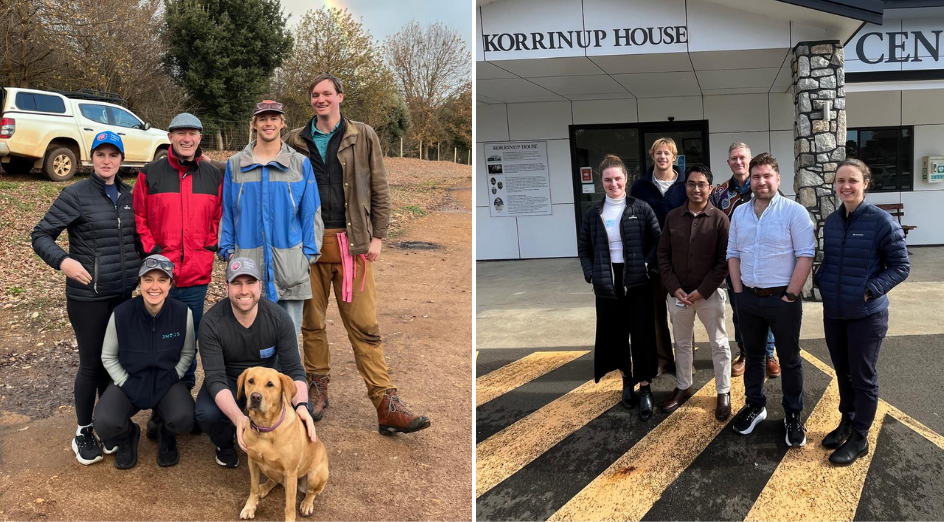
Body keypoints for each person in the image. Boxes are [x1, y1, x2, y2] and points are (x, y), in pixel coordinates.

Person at [285, 74, 429, 435]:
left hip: (352, 245)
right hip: (308, 248)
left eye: (327, 94)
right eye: (315, 95)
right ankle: (317, 386)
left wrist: (378, 235)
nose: (321, 100)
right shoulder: (294, 140)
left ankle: (385, 402)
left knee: (364, 326)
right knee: (312, 324)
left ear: (340, 97)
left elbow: (379, 185)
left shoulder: (362, 134)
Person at [31, 131, 141, 465]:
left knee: (114, 364)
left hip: (123, 294)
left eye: (113, 155)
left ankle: (108, 426)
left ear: (122, 160)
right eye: (101, 155)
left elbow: (139, 239)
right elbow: (40, 235)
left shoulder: (130, 196)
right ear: (91, 159)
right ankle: (83, 430)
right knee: (91, 365)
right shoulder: (76, 194)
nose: (107, 161)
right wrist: (64, 262)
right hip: (88, 297)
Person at [133, 112, 223, 440]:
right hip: (161, 279)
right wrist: (154, 251)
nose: (187, 139)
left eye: (193, 133)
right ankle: (160, 408)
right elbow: (139, 216)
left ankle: (182, 403)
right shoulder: (150, 174)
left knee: (189, 340)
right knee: (160, 343)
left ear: (200, 138)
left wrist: (208, 244)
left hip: (197, 276)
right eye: (181, 133)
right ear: (170, 136)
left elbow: (219, 215)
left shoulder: (213, 175)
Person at [814, 159, 909, 465]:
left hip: (867, 315)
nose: (845, 186)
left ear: (866, 183)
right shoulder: (832, 221)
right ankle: (847, 421)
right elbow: (831, 260)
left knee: (863, 377)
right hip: (835, 311)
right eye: (840, 180)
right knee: (843, 372)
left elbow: (901, 266)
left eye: (852, 180)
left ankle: (860, 437)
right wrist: (823, 282)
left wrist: (868, 290)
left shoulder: (882, 222)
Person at [727, 153, 815, 447]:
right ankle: (755, 406)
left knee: (789, 360)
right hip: (748, 299)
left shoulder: (794, 212)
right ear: (749, 181)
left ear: (778, 178)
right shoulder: (739, 213)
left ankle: (792, 414)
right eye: (756, 177)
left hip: (783, 300)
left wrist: (791, 294)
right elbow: (733, 254)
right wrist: (738, 292)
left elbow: (806, 255)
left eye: (767, 176)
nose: (761, 182)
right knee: (753, 356)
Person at [194, 257, 317, 468]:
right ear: (226, 287)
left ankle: (275, 444)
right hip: (230, 381)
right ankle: (225, 444)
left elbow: (294, 369)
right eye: (236, 283)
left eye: (250, 282)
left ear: (260, 285)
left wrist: (302, 407)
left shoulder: (279, 318)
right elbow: (215, 378)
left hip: (267, 381)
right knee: (207, 413)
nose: (244, 290)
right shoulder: (211, 323)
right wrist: (238, 418)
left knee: (302, 407)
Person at [219, 99, 322, 340]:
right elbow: (227, 212)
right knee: (250, 340)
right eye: (262, 118)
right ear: (254, 124)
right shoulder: (235, 165)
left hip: (290, 266)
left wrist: (307, 254)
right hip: (248, 265)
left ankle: (288, 380)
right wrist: (228, 251)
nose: (268, 123)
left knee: (288, 340)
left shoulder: (299, 164)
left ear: (282, 123)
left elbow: (311, 213)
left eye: (273, 118)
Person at [578, 154, 662, 421]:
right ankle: (627, 381)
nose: (613, 183)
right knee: (616, 334)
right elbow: (584, 248)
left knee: (642, 334)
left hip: (637, 279)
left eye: (617, 178)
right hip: (607, 280)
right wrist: (591, 274)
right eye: (608, 180)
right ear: (602, 182)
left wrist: (647, 265)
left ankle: (645, 386)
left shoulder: (641, 208)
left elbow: (657, 241)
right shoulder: (594, 213)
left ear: (626, 178)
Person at [94, 255, 196, 469]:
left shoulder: (182, 313)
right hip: (130, 381)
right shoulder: (121, 314)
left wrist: (173, 376)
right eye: (148, 279)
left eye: (162, 279)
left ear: (171, 284)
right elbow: (108, 356)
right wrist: (124, 381)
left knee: (185, 418)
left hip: (165, 382)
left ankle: (165, 433)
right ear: (139, 282)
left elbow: (188, 353)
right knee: (105, 422)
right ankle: (129, 436)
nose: (154, 286)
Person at [657, 165, 732, 420]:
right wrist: (674, 287)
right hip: (678, 296)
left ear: (710, 188)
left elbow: (724, 261)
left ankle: (723, 390)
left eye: (702, 184)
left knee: (719, 344)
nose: (696, 189)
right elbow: (663, 256)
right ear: (685, 187)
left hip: (709, 295)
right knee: (682, 343)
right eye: (691, 184)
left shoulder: (721, 219)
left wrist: (702, 291)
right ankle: (684, 385)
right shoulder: (673, 218)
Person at [710, 143, 780, 379]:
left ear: (749, 161)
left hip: (764, 261)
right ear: (728, 163)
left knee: (766, 311)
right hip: (735, 263)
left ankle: (769, 354)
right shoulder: (718, 194)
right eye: (733, 158)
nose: (738, 162)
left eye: (742, 158)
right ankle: (746, 353)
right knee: (740, 310)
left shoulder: (762, 186)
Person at [629, 137, 687, 375]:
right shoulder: (639, 187)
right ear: (652, 155)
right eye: (658, 153)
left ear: (674, 157)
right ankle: (663, 359)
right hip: (651, 261)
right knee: (655, 314)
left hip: (681, 261)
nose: (662, 157)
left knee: (683, 313)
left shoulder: (686, 185)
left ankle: (685, 360)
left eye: (667, 153)